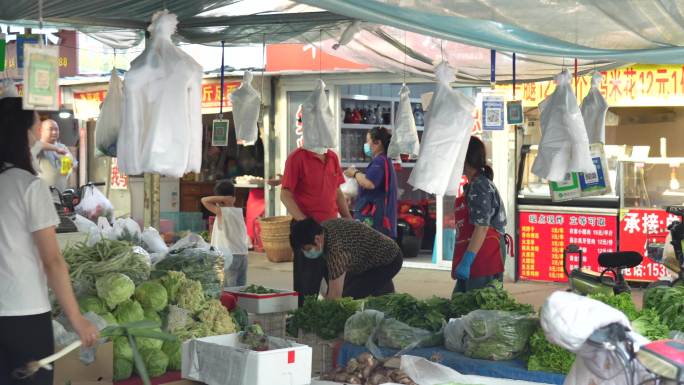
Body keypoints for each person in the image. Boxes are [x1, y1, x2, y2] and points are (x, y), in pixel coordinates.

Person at [0, 98, 98, 385]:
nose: (37, 138)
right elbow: (52, 261)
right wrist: (77, 319)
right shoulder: (29, 186)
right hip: (24, 315)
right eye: (34, 130)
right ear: (22, 136)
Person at [280, 147, 352, 305]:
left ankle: (335, 319)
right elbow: (285, 194)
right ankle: (304, 321)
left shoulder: (332, 157)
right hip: (307, 231)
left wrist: (348, 218)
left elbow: (337, 191)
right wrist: (304, 222)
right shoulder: (297, 157)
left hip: (332, 230)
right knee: (307, 286)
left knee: (339, 280)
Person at [290, 218, 403, 299]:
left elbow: (335, 298)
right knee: (363, 289)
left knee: (348, 297)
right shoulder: (324, 228)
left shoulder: (337, 251)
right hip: (365, 260)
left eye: (308, 249)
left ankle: (387, 297)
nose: (306, 253)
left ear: (317, 240)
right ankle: (386, 293)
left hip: (388, 260)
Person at [451, 136, 507, 293]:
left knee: (478, 308)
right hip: (476, 250)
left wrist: (467, 260)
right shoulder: (473, 184)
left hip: (484, 254)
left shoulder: (479, 185)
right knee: (463, 305)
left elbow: (482, 227)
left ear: (465, 158)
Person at [344, 126, 398, 238]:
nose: (366, 145)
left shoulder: (379, 162)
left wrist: (354, 173)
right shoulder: (383, 161)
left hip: (376, 220)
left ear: (377, 143)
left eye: (367, 141)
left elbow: (370, 183)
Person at [201, 181, 249, 287]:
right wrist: (226, 199)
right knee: (240, 290)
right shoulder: (239, 212)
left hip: (229, 256)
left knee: (228, 291)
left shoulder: (222, 212)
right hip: (242, 255)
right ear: (234, 197)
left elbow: (204, 200)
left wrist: (222, 198)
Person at [35, 119, 77, 192]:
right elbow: (37, 145)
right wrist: (56, 149)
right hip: (42, 194)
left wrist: (70, 163)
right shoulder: (38, 146)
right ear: (41, 131)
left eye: (56, 129)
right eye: (50, 129)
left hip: (60, 194)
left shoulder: (63, 147)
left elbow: (73, 167)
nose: (54, 132)